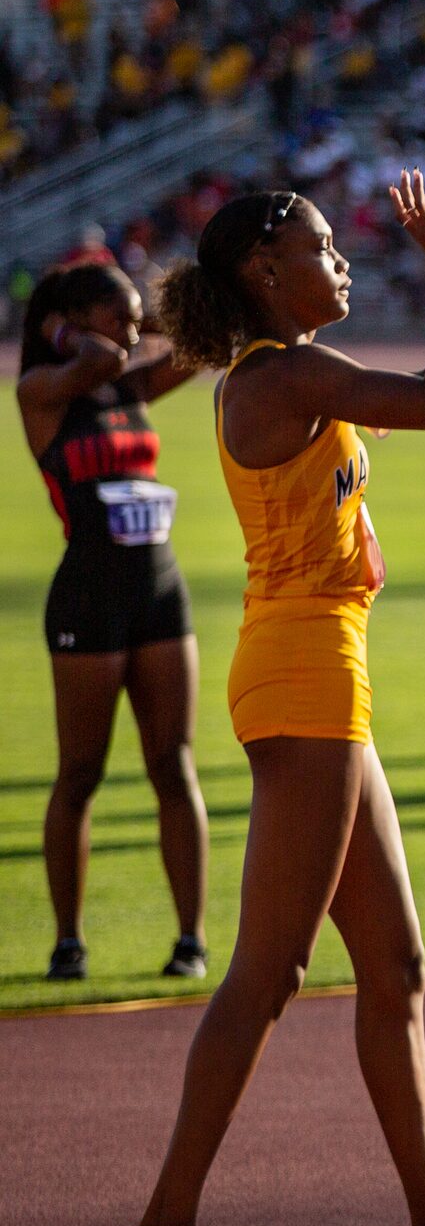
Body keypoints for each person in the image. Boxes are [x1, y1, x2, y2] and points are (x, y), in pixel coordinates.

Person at [128, 163, 425, 1226]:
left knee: (397, 963)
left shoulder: (289, 370)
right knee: (269, 971)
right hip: (303, 675)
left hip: (328, 673)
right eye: (324, 248)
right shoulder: (278, 376)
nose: (343, 261)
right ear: (264, 271)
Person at [18, 261, 209, 982]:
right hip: (87, 598)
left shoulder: (131, 384)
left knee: (173, 765)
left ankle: (190, 939)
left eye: (138, 319)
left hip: (159, 591)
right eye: (122, 315)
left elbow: (203, 346)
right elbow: (96, 357)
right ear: (72, 320)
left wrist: (138, 319)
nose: (134, 331)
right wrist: (68, 332)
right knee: (80, 774)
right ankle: (69, 940)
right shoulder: (42, 393)